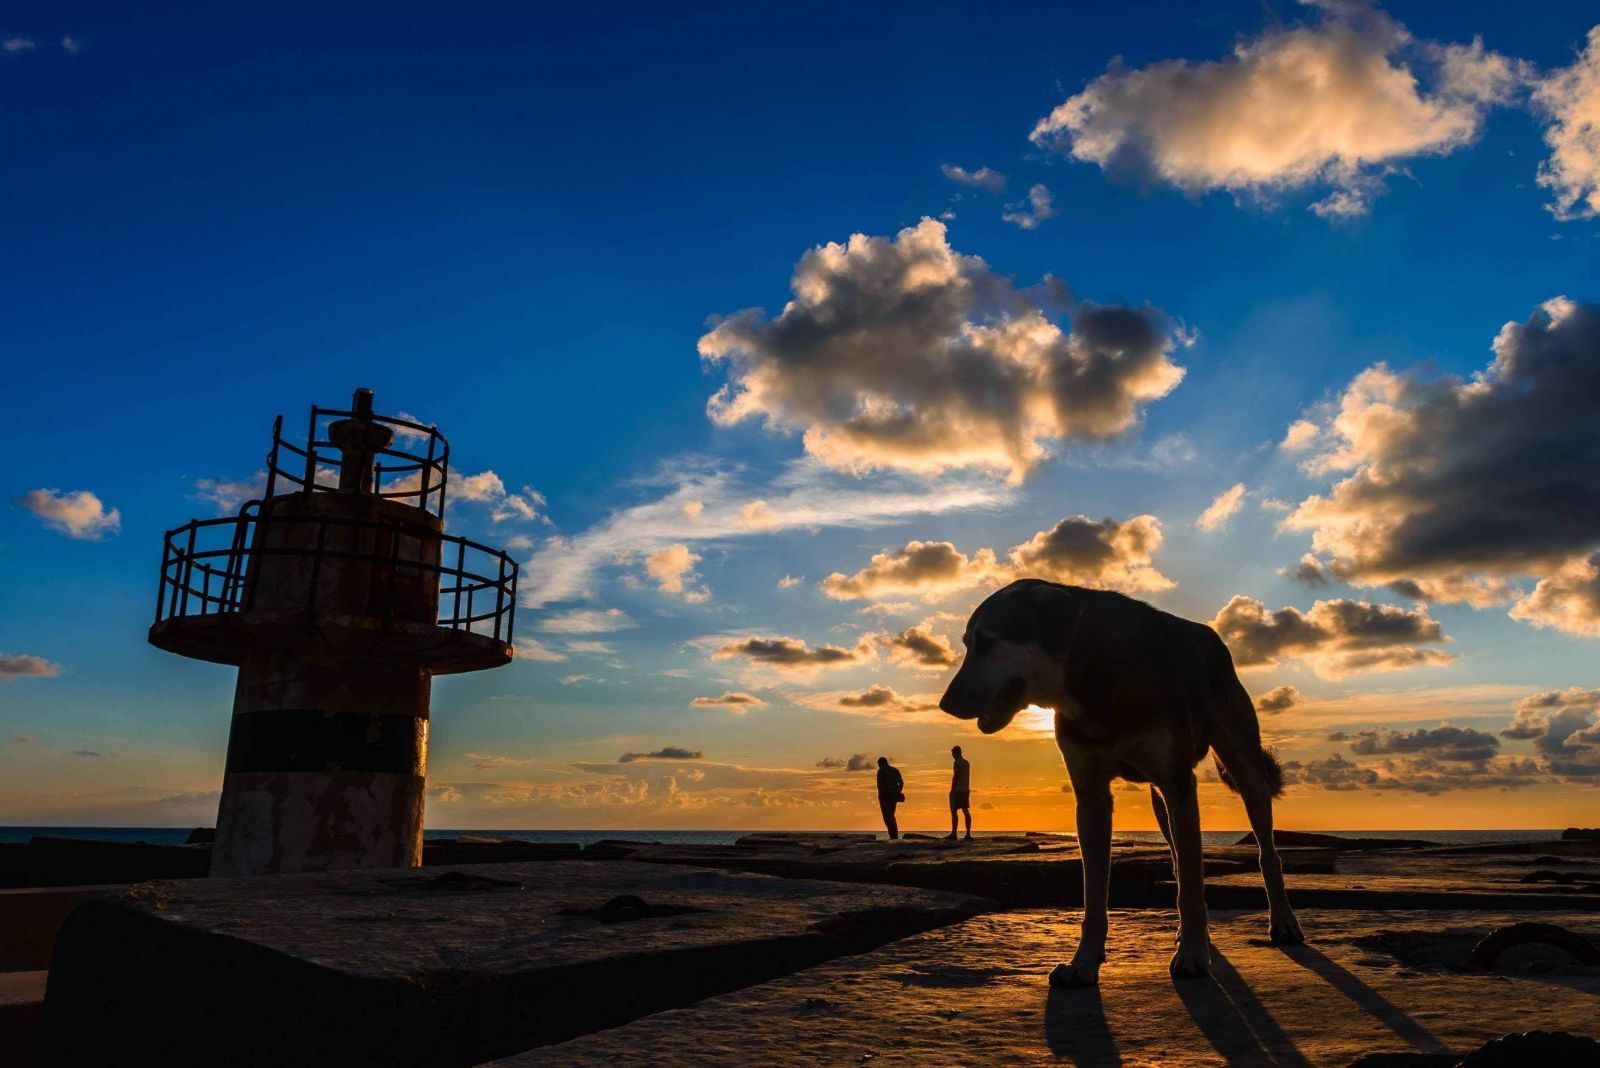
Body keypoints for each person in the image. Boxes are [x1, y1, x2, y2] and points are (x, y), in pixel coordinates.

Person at [946, 745, 972, 841]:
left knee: (954, 811)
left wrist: (952, 790)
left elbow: (955, 776)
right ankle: (968, 833)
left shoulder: (957, 762)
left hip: (957, 790)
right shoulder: (966, 763)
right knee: (965, 811)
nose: (952, 756)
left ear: (956, 753)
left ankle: (954, 833)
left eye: (952, 754)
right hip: (965, 789)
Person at [875, 756, 904, 840]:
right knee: (891, 816)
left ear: (880, 763)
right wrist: (897, 791)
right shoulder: (895, 770)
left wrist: (882, 794)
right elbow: (901, 783)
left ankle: (893, 836)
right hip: (893, 795)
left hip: (885, 796)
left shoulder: (881, 771)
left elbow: (879, 785)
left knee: (887, 817)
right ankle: (894, 835)